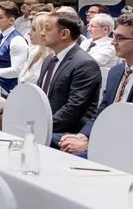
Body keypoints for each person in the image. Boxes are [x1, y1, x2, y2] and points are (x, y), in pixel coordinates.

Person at [59, 13, 133, 155]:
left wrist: (94, 142)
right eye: (114, 36)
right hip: (103, 135)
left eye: (120, 38)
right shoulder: (116, 71)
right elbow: (102, 110)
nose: (113, 42)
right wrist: (83, 136)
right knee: (54, 141)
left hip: (128, 145)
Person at [37, 11, 103, 139]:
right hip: (46, 124)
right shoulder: (49, 59)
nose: (42, 33)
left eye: (47, 29)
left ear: (64, 34)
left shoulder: (85, 64)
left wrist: (41, 125)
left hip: (68, 132)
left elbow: (73, 109)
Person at [19, 13, 52, 87]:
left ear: (44, 31)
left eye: (33, 29)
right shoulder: (35, 51)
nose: (29, 33)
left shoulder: (52, 59)